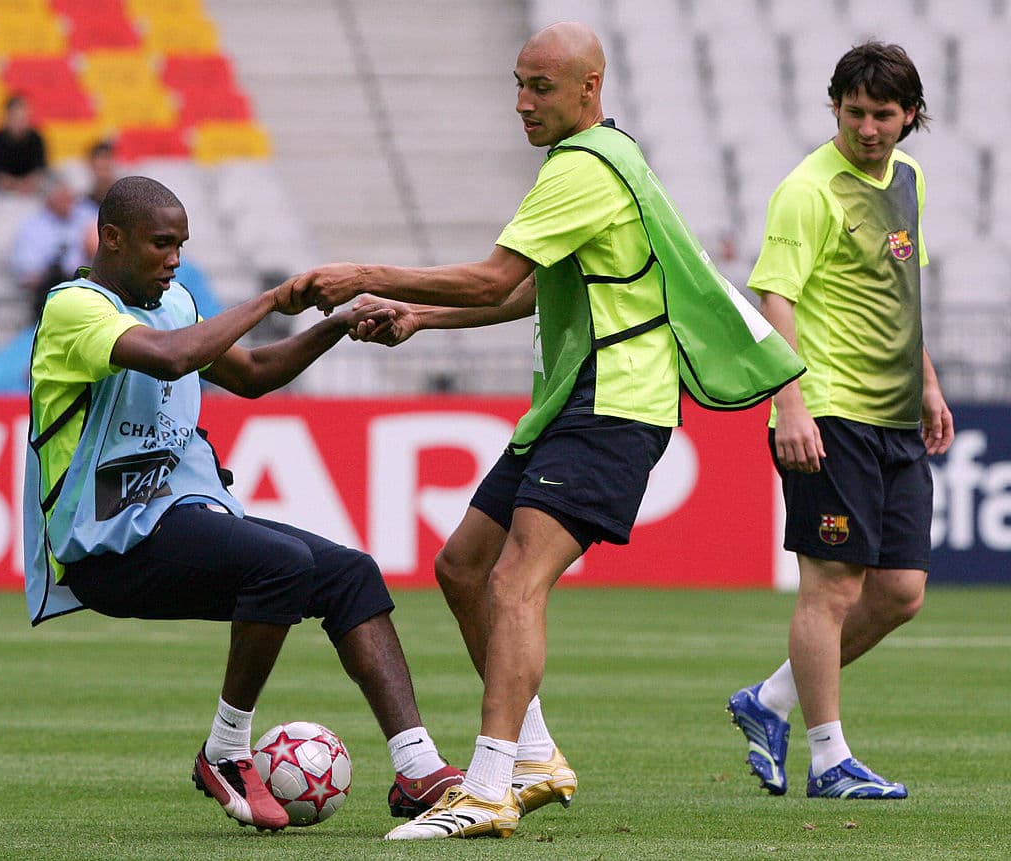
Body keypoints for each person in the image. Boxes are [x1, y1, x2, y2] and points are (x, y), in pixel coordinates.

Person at [287, 22, 802, 839]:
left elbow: (495, 274)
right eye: (518, 85)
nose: (523, 104)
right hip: (572, 398)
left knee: (514, 580)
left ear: (590, 87)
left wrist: (368, 271)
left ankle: (488, 787)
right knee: (462, 566)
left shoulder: (584, 167)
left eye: (542, 88)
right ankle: (533, 758)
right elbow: (529, 291)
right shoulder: (599, 158)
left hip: (615, 401)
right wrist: (419, 315)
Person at [22, 175, 462, 832]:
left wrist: (335, 325)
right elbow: (171, 361)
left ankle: (419, 768)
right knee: (280, 562)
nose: (174, 259)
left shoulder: (175, 304)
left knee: (349, 573)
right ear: (110, 239)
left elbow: (253, 376)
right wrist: (271, 298)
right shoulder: (75, 309)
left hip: (179, 518)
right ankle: (227, 750)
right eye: (160, 244)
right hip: (106, 542)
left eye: (182, 246)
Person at [726, 42, 955, 800]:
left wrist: (928, 385)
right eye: (852, 111)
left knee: (901, 591)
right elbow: (776, 298)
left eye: (882, 114)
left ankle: (770, 701)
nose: (866, 127)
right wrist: (787, 401)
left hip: (893, 412)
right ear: (835, 106)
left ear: (910, 115)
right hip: (828, 412)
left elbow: (901, 293)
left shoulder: (910, 179)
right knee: (831, 587)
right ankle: (829, 760)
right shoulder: (807, 189)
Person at [10, 172, 95, 320]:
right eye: (62, 198)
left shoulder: (86, 214)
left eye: (70, 198)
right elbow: (27, 274)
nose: (69, 202)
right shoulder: (33, 227)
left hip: (87, 286)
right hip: (49, 292)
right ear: (49, 199)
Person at [0, 94, 47, 194]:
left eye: (23, 117)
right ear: (7, 116)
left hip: (31, 187)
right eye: (16, 117)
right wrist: (13, 185)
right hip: (2, 187)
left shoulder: (36, 138)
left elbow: (40, 168)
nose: (20, 122)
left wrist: (26, 184)